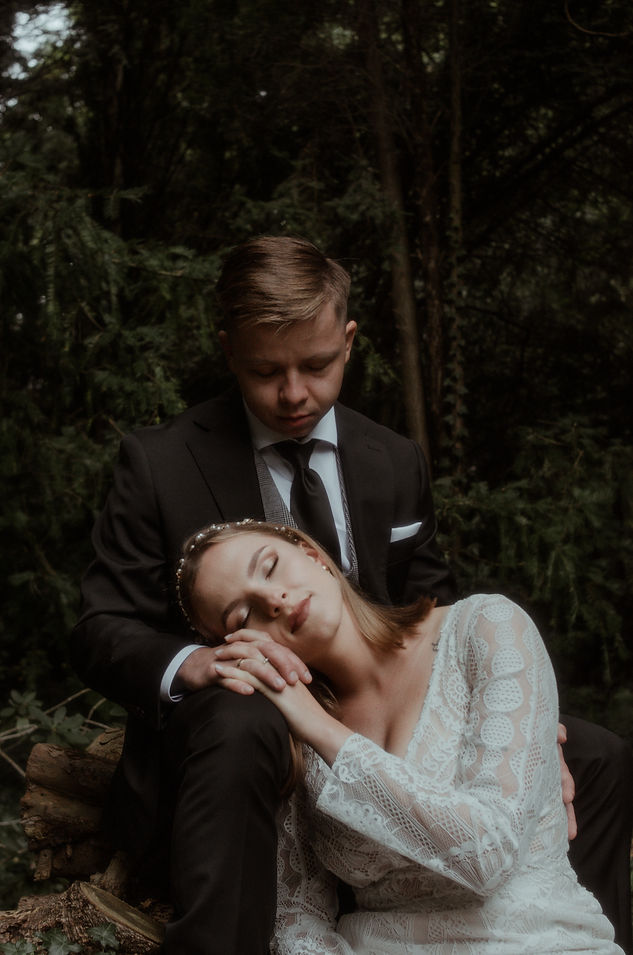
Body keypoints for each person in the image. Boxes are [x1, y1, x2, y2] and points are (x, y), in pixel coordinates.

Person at [71, 235, 632, 954]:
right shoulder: (161, 462)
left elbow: (429, 600)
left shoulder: (391, 458)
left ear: (348, 339)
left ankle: (566, 928)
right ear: (229, 351)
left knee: (593, 752)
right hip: (246, 725)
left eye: (316, 365)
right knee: (247, 720)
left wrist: (523, 724)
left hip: (375, 701)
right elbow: (100, 625)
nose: (293, 393)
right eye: (265, 371)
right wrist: (199, 664)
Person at [176, 517, 625, 954]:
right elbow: (298, 915)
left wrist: (321, 728)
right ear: (240, 650)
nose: (273, 600)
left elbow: (489, 854)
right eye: (244, 615)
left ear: (314, 556)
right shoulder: (288, 736)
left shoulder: (487, 626)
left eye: (271, 566)